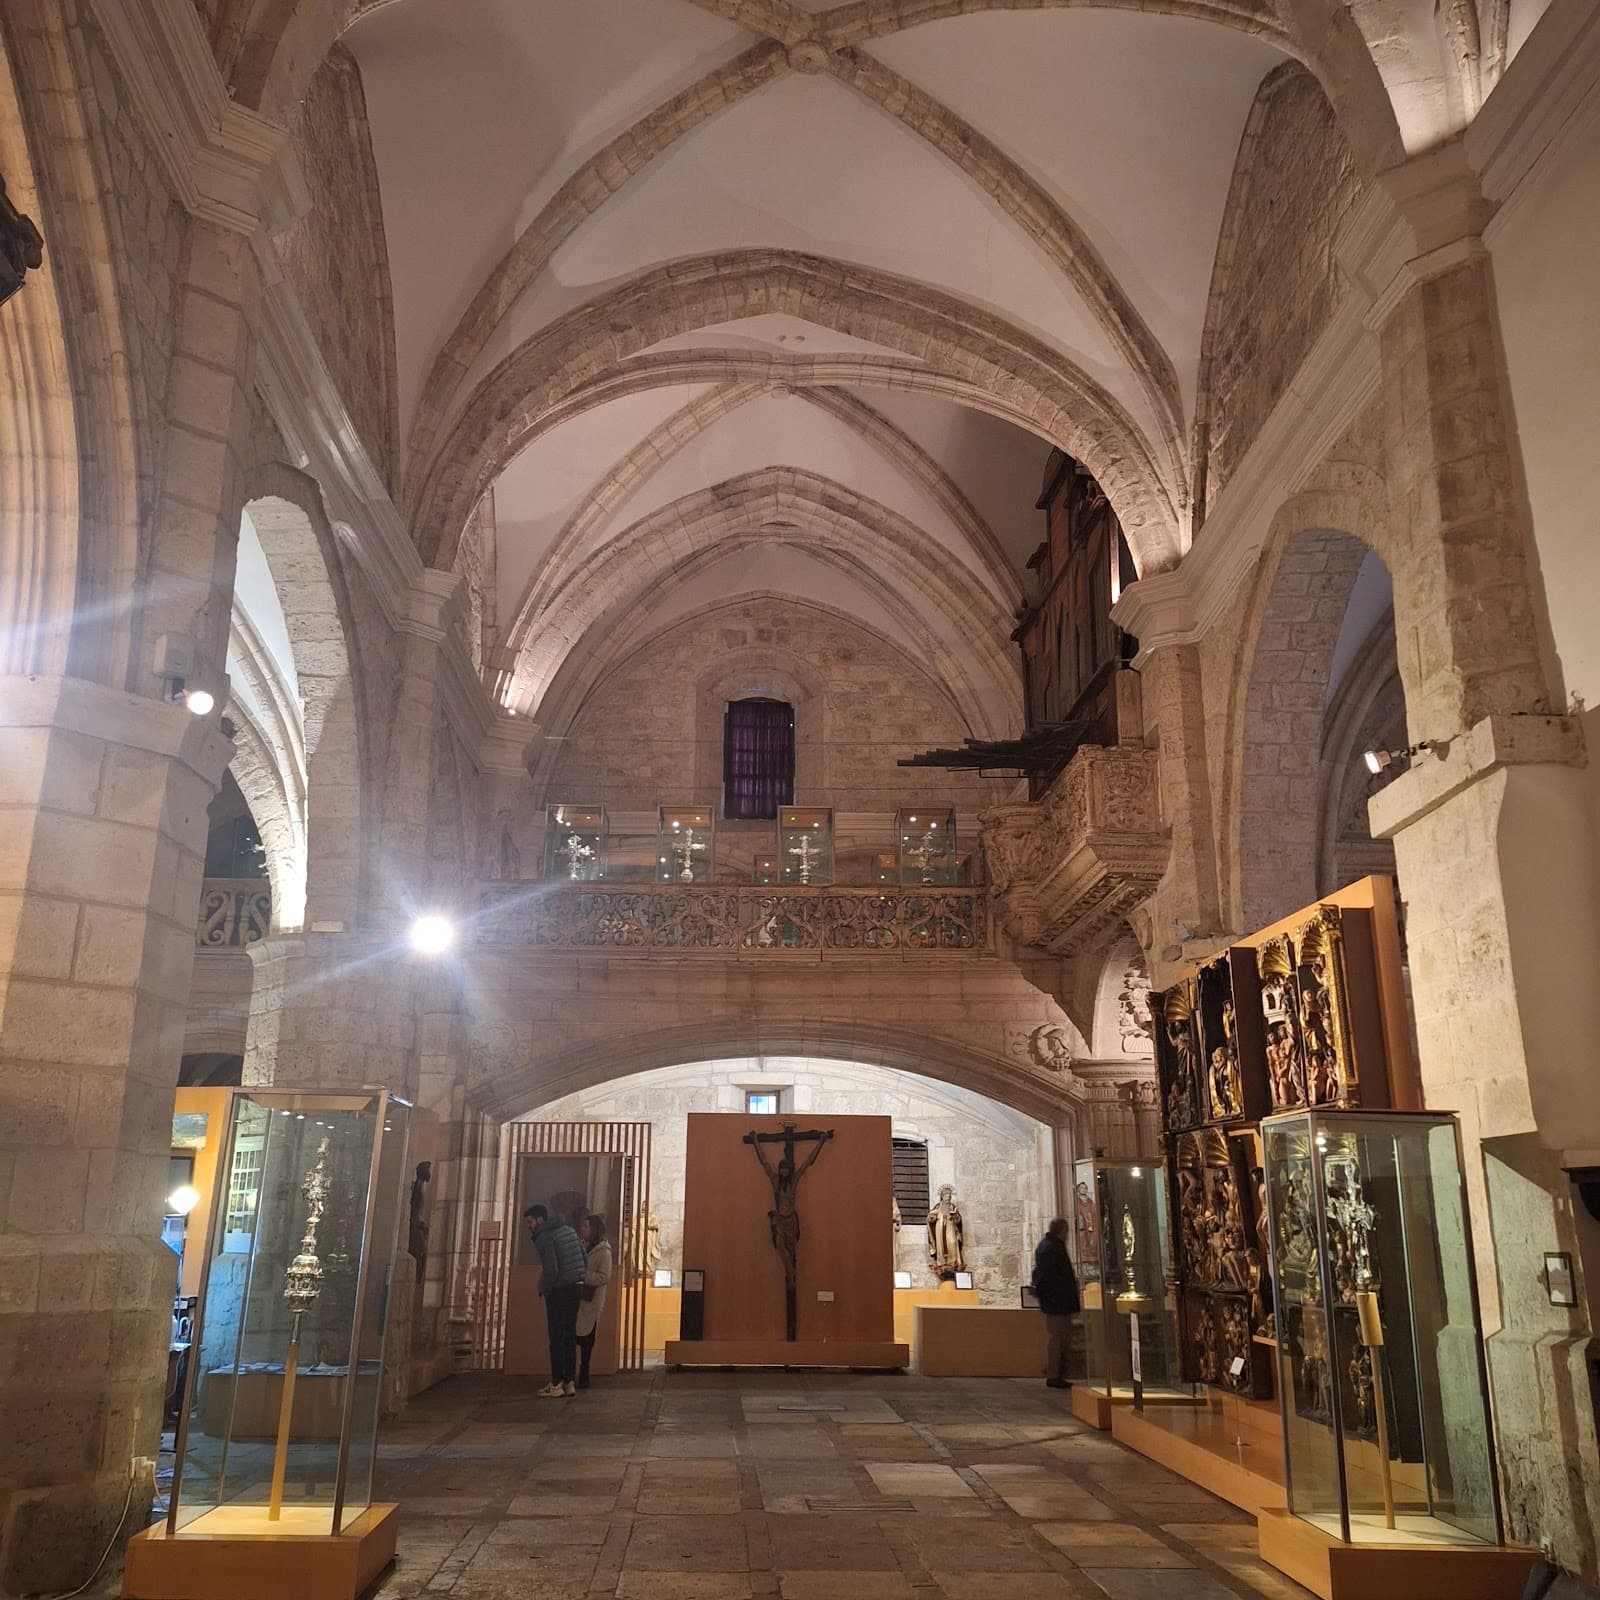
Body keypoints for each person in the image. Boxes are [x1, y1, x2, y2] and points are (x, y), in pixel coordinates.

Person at [524, 1203, 586, 1397]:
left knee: (557, 1338)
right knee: (569, 1336)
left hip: (559, 1290)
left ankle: (557, 1382)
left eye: (530, 1221)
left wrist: (545, 1288)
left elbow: (551, 1268)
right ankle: (569, 1382)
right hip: (576, 1286)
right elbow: (584, 1258)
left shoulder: (544, 1236)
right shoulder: (569, 1230)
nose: (529, 1225)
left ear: (540, 1220)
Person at [1032, 1217, 1081, 1390]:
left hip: (1058, 1301)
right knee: (1057, 1338)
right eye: (1066, 1231)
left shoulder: (1049, 1246)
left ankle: (1058, 1372)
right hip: (1057, 1302)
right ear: (1062, 1231)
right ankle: (1054, 1374)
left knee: (1061, 1338)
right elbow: (1053, 1278)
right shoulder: (1051, 1249)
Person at [574, 1213, 613, 1390]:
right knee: (575, 1335)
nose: (582, 1229)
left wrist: (583, 1275)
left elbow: (604, 1276)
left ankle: (584, 1372)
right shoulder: (581, 1246)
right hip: (577, 1297)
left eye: (586, 1226)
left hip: (592, 1299)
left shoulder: (604, 1251)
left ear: (594, 1229)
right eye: (582, 1226)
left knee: (587, 1338)